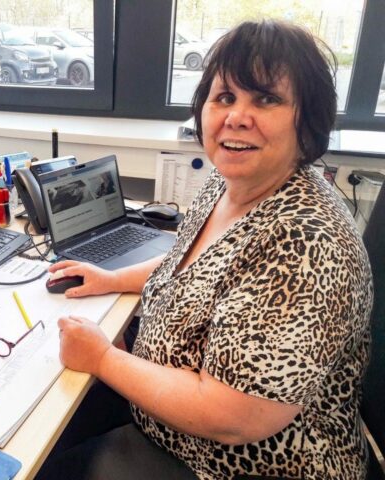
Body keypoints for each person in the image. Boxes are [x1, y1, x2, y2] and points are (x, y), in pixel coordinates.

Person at [37, 20, 373, 480]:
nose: (236, 116)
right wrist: (114, 279)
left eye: (267, 99)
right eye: (224, 97)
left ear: (307, 118)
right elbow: (193, 261)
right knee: (48, 419)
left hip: (240, 464)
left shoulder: (305, 244)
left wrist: (103, 358)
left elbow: (233, 417)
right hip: (167, 422)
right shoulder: (232, 179)